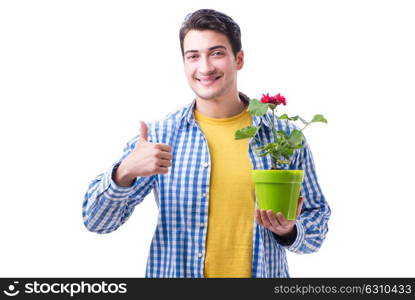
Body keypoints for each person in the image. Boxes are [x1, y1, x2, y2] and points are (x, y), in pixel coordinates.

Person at [82, 8, 331, 278]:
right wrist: (124, 172)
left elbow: (317, 221)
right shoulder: (161, 137)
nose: (205, 67)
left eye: (217, 53)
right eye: (193, 56)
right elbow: (96, 222)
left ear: (239, 59)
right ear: (184, 64)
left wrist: (289, 231)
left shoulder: (282, 138)